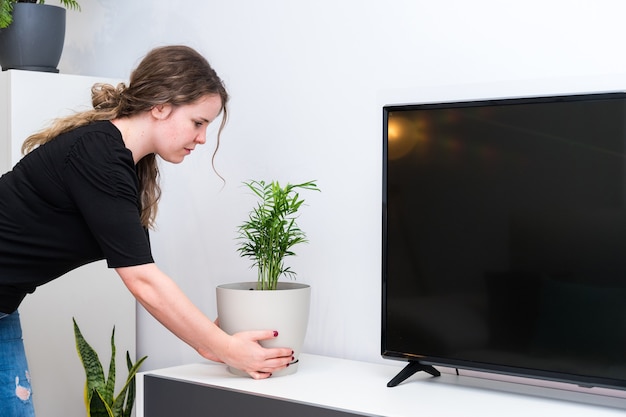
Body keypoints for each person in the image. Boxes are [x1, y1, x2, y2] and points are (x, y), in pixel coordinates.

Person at [0, 45, 294, 416]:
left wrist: (213, 340)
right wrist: (222, 346)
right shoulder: (98, 154)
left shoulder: (122, 165)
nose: (202, 138)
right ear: (160, 106)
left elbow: (144, 269)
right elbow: (143, 280)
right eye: (198, 122)